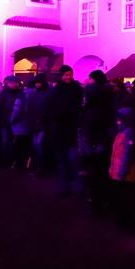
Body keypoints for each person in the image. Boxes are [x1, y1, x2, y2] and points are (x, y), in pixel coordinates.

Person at [79, 70, 115, 214]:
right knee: (103, 170)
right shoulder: (109, 95)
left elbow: (86, 115)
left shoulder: (90, 96)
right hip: (104, 137)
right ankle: (104, 200)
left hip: (92, 137)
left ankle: (94, 203)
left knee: (93, 171)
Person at [45, 65, 82, 196]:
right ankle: (65, 185)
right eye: (66, 75)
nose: (68, 77)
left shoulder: (76, 89)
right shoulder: (56, 90)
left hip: (71, 127)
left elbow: (79, 107)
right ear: (61, 75)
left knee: (73, 158)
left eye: (70, 74)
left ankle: (74, 185)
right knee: (62, 158)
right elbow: (50, 108)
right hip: (59, 128)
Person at [109, 107, 135, 228]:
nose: (117, 121)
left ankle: (126, 223)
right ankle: (121, 221)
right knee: (120, 198)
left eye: (120, 119)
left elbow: (127, 153)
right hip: (118, 172)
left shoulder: (129, 133)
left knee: (125, 198)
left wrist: (122, 170)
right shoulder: (121, 132)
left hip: (124, 173)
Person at [0, 76, 22, 166]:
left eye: (15, 83)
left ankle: (11, 159)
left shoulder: (19, 93)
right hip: (5, 120)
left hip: (15, 120)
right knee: (6, 140)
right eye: (12, 83)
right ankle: (6, 159)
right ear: (8, 83)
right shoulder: (4, 93)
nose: (14, 84)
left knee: (12, 140)